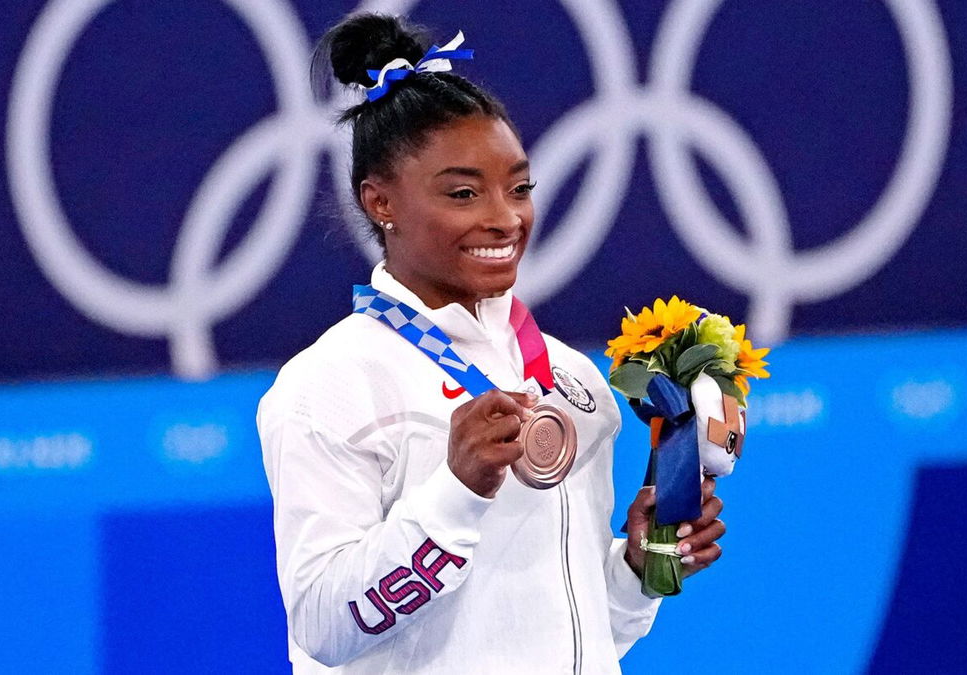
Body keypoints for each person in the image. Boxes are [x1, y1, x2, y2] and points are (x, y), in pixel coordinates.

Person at [257, 13, 726, 674]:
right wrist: (456, 490)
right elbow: (325, 627)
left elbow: (583, 634)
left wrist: (637, 568)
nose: (505, 217)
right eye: (463, 192)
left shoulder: (572, 380)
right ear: (380, 201)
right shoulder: (329, 385)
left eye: (519, 188)